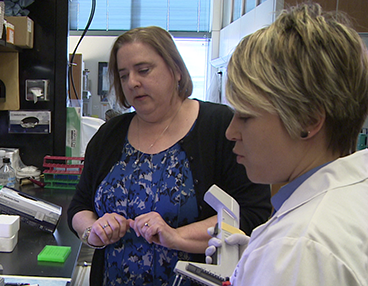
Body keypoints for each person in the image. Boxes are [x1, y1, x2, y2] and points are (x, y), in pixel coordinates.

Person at [67, 26, 272, 286]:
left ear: (176, 70)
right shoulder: (110, 135)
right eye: (123, 75)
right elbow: (79, 206)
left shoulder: (220, 127)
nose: (132, 82)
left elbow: (252, 212)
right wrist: (93, 231)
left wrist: (176, 236)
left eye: (143, 70)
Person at [207, 2, 368, 285]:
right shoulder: (351, 195)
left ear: (307, 120)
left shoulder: (300, 246)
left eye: (245, 116)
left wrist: (276, 260)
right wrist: (256, 264)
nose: (231, 132)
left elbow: (305, 251)